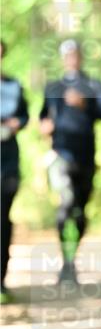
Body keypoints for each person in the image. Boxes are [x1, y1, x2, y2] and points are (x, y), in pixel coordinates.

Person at [39, 39, 101, 284]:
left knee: (80, 211)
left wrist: (86, 104)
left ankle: (71, 259)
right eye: (68, 54)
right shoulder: (53, 87)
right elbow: (43, 115)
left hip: (86, 156)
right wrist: (44, 125)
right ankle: (66, 263)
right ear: (63, 58)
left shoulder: (92, 85)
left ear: (81, 57)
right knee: (65, 204)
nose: (72, 58)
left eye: (76, 54)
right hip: (61, 154)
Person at [1, 40, 29, 303]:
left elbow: (25, 115)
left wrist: (17, 122)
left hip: (7, 159)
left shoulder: (13, 86)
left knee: (2, 218)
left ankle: (1, 279)